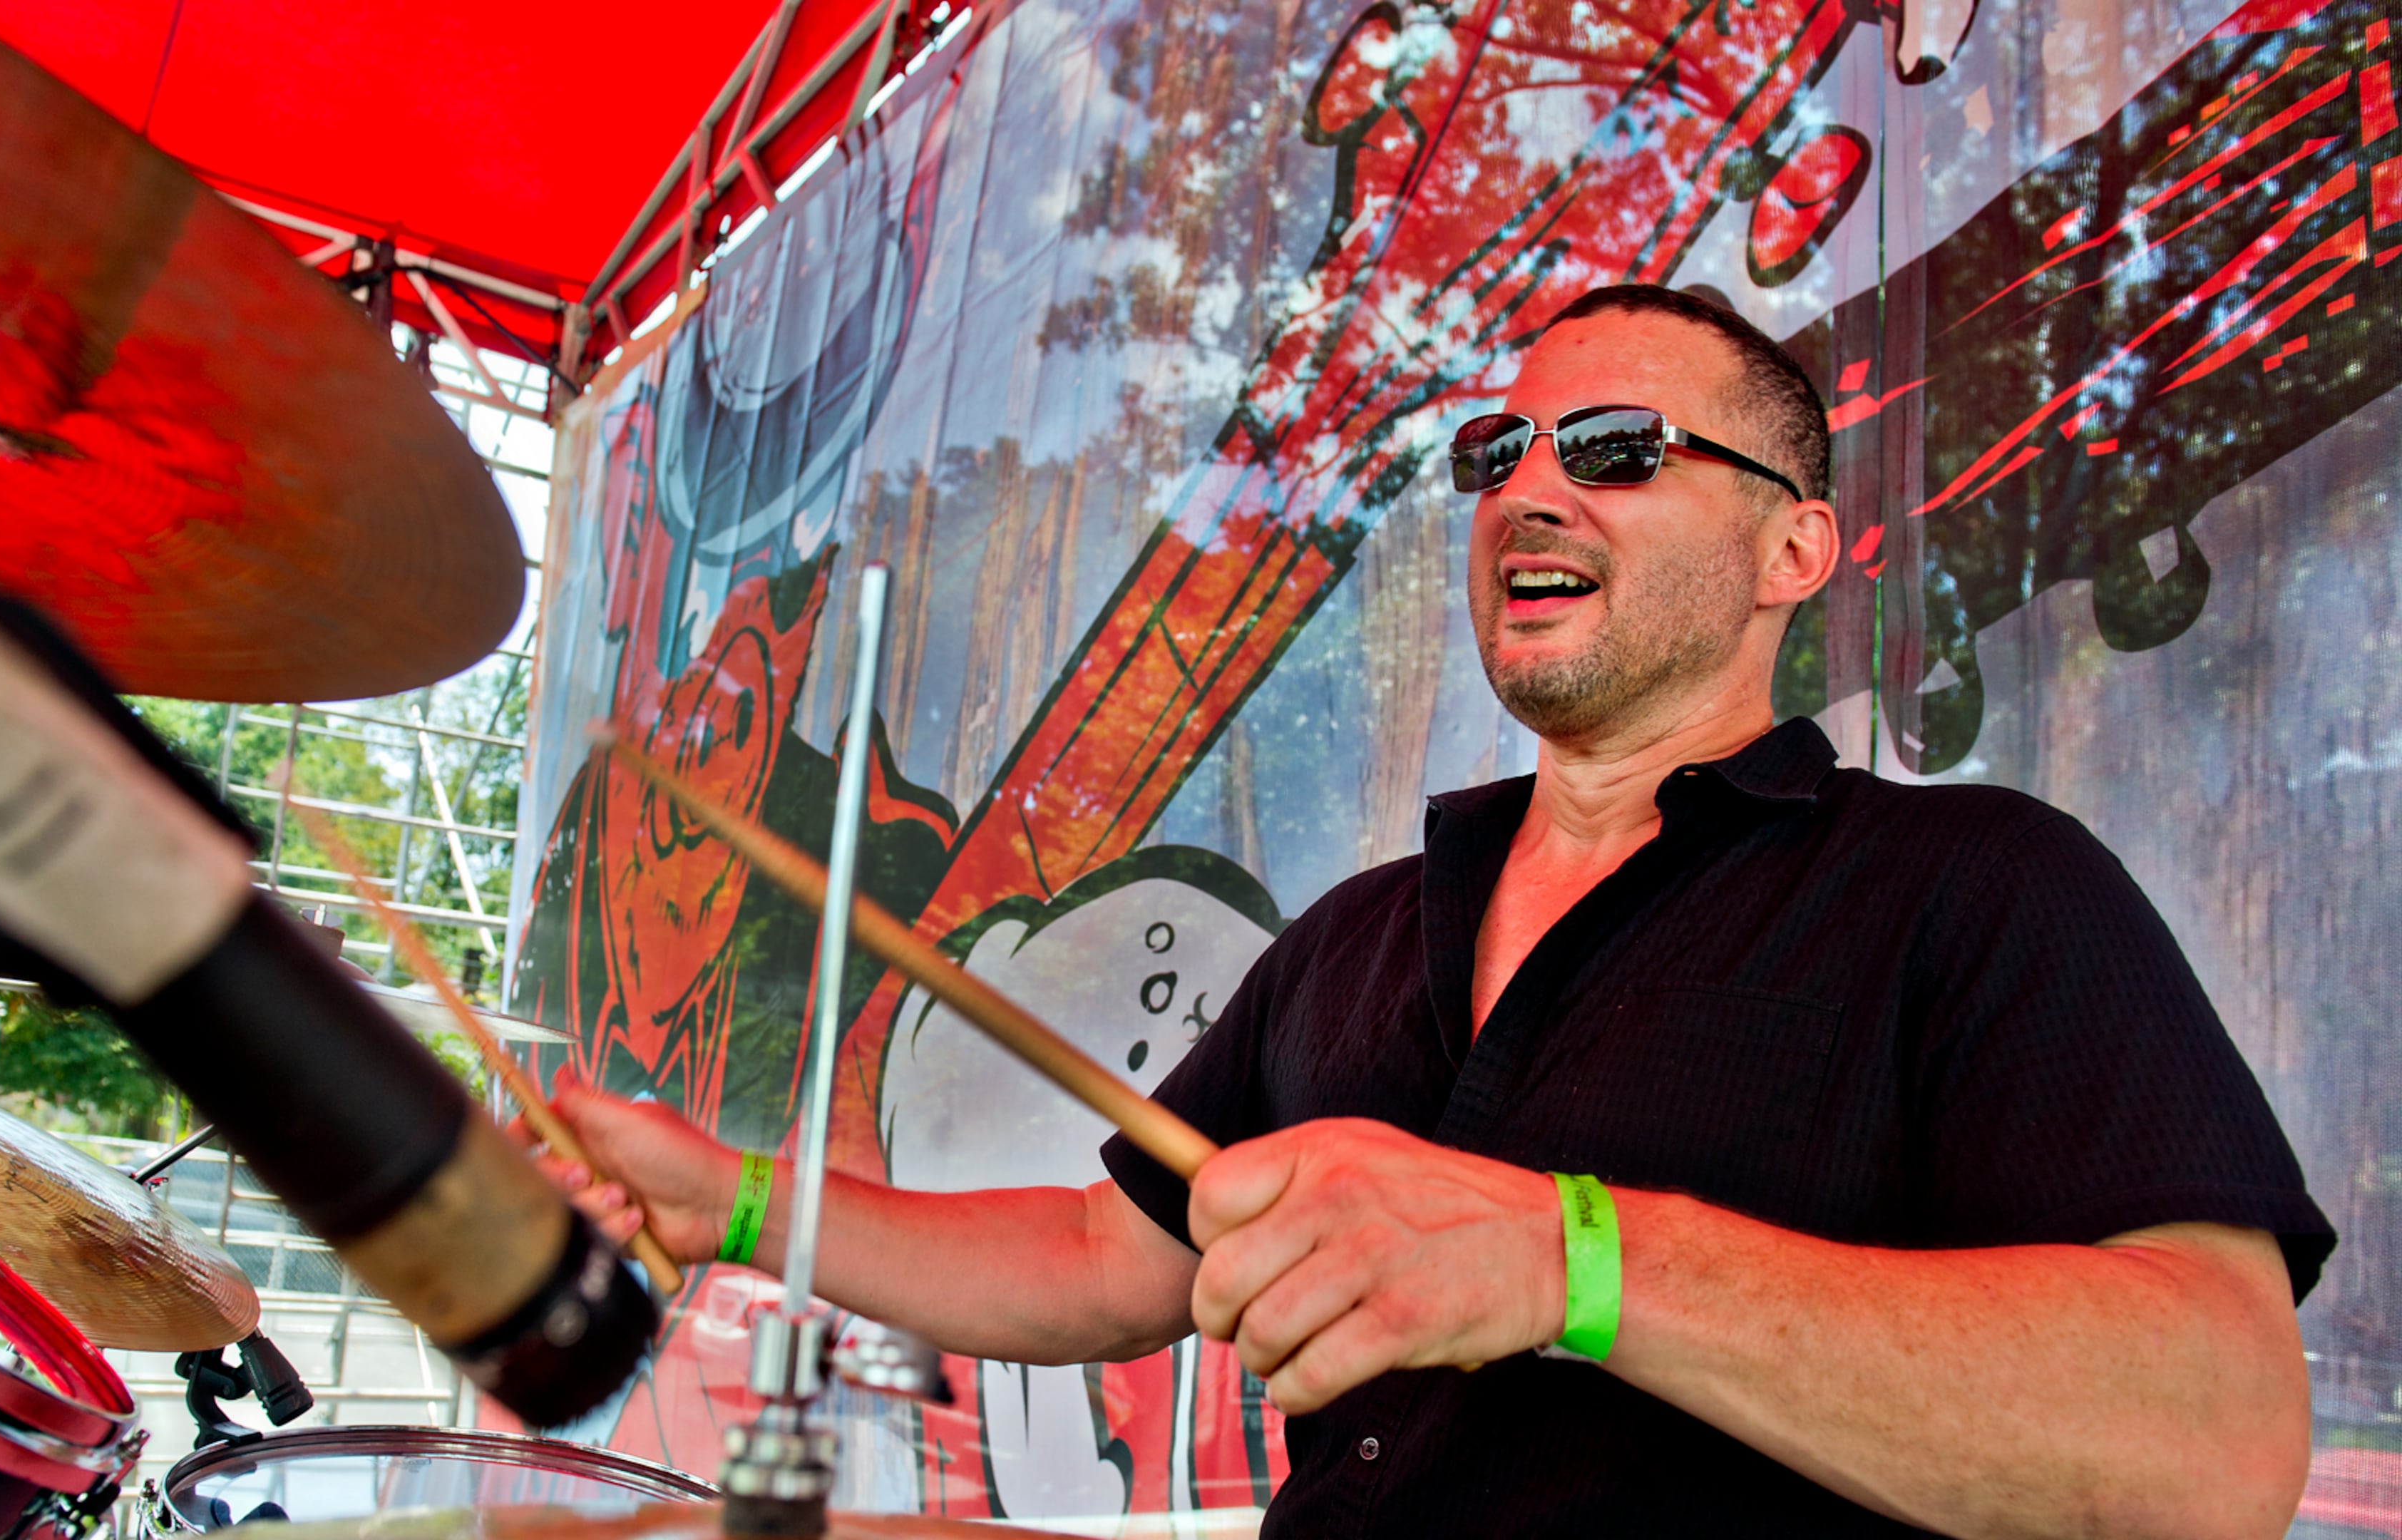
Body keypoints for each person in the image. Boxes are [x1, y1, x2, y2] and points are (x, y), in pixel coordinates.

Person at [536, 284, 2334, 1536]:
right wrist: (745, 1200)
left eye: (1623, 448)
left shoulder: (1982, 892)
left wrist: (1577, 1260)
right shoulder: (1365, 931)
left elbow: (2216, 1448)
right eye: (1500, 452)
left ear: (1797, 551)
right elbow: (1107, 1263)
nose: (1531, 490)